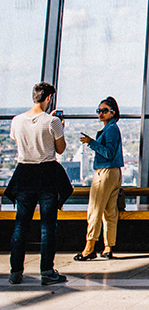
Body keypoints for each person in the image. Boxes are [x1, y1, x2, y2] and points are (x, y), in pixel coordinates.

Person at [6, 82, 71, 285]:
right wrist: (59, 126)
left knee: (20, 225)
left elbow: (19, 144)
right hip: (47, 175)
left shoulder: (17, 121)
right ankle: (47, 271)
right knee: (47, 226)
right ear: (49, 98)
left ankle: (15, 272)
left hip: (24, 173)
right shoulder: (52, 122)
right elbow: (60, 149)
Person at [75, 97, 124, 261]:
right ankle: (108, 247)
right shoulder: (112, 129)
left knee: (95, 210)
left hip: (105, 173)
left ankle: (89, 248)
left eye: (104, 111)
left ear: (113, 112)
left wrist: (91, 142)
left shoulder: (110, 130)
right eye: (99, 111)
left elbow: (108, 152)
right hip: (115, 173)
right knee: (110, 211)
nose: (100, 114)